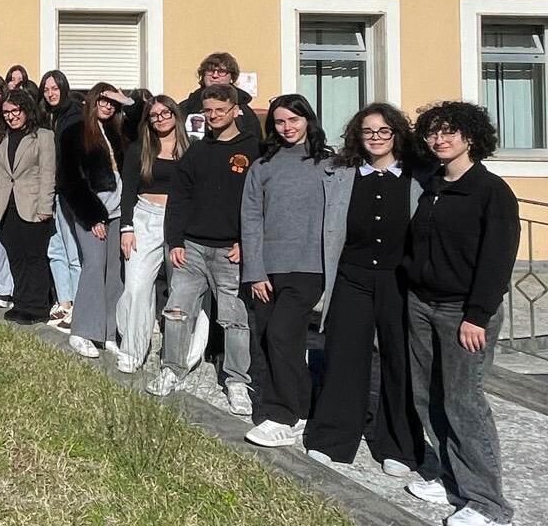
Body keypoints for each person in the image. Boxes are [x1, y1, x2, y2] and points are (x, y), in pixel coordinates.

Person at [402, 101, 518, 526]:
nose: (440, 139)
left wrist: (477, 314)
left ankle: (488, 503)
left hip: (462, 313)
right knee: (427, 395)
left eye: (450, 131)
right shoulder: (432, 185)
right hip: (421, 304)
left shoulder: (491, 191)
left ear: (471, 137)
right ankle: (452, 478)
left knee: (465, 402)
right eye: (433, 132)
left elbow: (497, 259)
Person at [303, 103, 425, 476]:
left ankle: (398, 447)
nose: (375, 138)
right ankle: (332, 439)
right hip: (351, 278)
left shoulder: (418, 177)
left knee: (399, 360)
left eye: (383, 131)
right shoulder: (340, 174)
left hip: (398, 280)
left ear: (397, 135)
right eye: (368, 131)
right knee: (343, 356)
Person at [146, 84, 261, 418]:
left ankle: (237, 381)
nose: (213, 116)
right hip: (192, 248)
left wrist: (246, 243)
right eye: (208, 111)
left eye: (219, 110)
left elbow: (257, 204)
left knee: (234, 319)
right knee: (177, 311)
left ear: (236, 110)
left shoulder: (253, 150)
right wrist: (176, 241)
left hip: (231, 251)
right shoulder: (195, 151)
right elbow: (179, 199)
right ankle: (172, 369)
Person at [239, 94, 333, 448]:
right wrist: (256, 272)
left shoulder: (330, 164)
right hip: (267, 270)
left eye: (294, 120)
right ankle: (303, 407)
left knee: (281, 335)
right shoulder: (263, 165)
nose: (287, 127)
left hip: (308, 268)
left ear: (308, 120)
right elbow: (250, 219)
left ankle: (282, 415)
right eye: (280, 122)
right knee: (273, 341)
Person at [116, 95, 189, 374]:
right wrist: (127, 227)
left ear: (175, 114)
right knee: (136, 286)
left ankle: (182, 354)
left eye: (165, 113)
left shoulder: (190, 149)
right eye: (154, 115)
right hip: (145, 218)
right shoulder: (139, 149)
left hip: (180, 221)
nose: (160, 118)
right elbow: (128, 192)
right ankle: (133, 348)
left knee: (182, 291)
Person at [0, 89, 55, 322]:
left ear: (26, 110)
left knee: (33, 257)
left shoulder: (43, 136)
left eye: (16, 110)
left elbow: (48, 174)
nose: (11, 116)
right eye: (6, 112)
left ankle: (37, 307)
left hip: (33, 206)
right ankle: (21, 300)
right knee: (15, 256)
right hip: (5, 207)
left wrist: (45, 207)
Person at [57, 83, 130, 359]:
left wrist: (125, 98)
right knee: (94, 265)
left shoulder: (117, 132)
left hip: (117, 212)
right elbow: (70, 180)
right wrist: (92, 216)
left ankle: (108, 333)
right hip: (94, 213)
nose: (109, 106)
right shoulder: (74, 132)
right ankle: (82, 331)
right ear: (92, 100)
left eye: (114, 103)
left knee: (114, 272)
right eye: (104, 100)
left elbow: (139, 115)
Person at [40, 70, 83, 329]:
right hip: (50, 190)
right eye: (46, 89)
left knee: (73, 250)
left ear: (64, 88)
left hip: (69, 191)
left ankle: (79, 305)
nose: (50, 93)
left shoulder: (74, 115)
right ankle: (64, 301)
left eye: (54, 88)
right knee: (55, 249)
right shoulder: (46, 115)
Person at [178, 52, 261, 137]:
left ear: (232, 77)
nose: (215, 75)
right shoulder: (187, 106)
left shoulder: (243, 110)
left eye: (221, 71)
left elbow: (254, 140)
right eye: (210, 71)